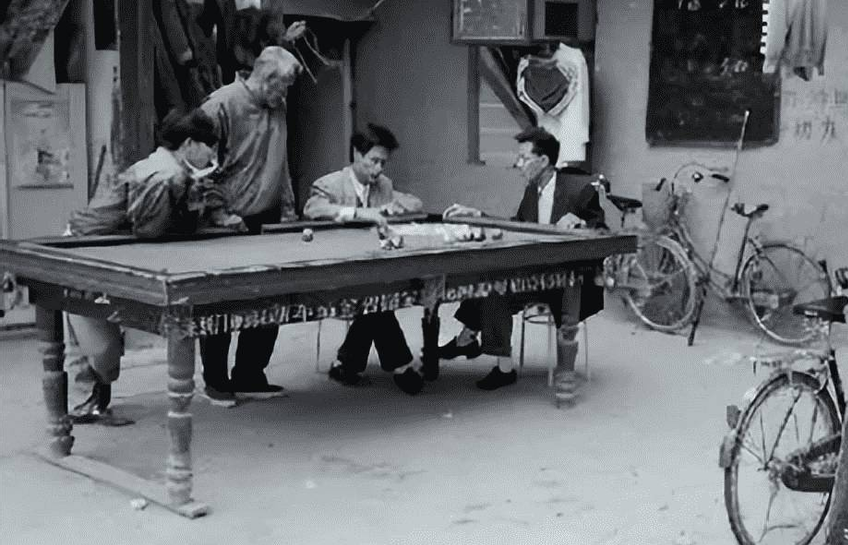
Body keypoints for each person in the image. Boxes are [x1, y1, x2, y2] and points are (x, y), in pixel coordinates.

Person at [64, 108, 236, 425]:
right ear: (189, 144)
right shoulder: (164, 175)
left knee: (98, 344)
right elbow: (150, 230)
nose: (212, 155)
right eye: (209, 147)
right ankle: (84, 405)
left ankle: (89, 404)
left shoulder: (172, 170)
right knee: (100, 349)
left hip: (104, 251)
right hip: (85, 251)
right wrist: (191, 199)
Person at [441, 129, 605, 403]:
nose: (518, 164)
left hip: (570, 278)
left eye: (523, 158)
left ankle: (565, 376)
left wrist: (582, 224)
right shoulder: (532, 190)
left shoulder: (579, 190)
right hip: (535, 274)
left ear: (543, 161)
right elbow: (517, 226)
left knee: (567, 291)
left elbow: (602, 232)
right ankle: (504, 368)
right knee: (493, 285)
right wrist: (478, 215)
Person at [197, 46, 302, 406]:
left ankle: (250, 374)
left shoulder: (278, 106)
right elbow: (196, 165)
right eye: (285, 85)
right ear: (268, 78)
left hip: (267, 217)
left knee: (270, 298)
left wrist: (288, 208)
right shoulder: (221, 105)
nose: (287, 94)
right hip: (228, 221)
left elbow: (281, 160)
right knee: (221, 301)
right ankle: (215, 380)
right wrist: (218, 213)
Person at [303, 123, 425, 394]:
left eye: (383, 163)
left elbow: (413, 202)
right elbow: (313, 209)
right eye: (374, 161)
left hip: (374, 268)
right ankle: (400, 364)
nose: (379, 169)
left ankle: (348, 363)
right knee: (376, 300)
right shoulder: (329, 184)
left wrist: (394, 207)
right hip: (337, 269)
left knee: (374, 298)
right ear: (357, 154)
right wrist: (358, 213)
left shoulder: (384, 185)